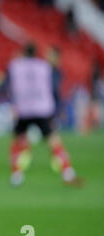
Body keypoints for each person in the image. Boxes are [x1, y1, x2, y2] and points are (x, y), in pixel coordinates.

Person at [6, 43, 84, 187]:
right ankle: (68, 173)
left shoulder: (15, 65)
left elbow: (7, 85)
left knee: (18, 142)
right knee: (53, 141)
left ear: (23, 52)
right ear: (36, 53)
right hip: (42, 109)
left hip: (23, 109)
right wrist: (58, 107)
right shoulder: (44, 66)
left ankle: (16, 176)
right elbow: (53, 88)